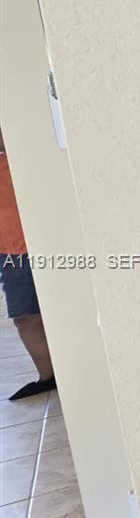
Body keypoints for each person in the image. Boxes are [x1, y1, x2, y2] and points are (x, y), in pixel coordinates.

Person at [0, 134, 55, 400]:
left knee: (61, 313)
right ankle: (48, 378)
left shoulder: (25, 157)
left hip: (46, 244)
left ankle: (78, 371)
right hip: (9, 254)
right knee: (24, 316)